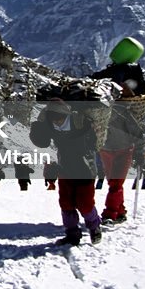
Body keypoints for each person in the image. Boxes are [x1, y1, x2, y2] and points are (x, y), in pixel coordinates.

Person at [30, 99, 103, 246]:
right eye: (53, 119)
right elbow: (42, 142)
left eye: (58, 118)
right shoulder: (51, 125)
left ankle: (94, 227)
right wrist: (37, 126)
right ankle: (72, 234)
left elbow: (93, 144)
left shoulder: (80, 122)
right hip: (65, 169)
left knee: (85, 204)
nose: (56, 122)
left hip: (85, 170)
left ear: (65, 114)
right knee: (66, 204)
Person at [98, 88, 145, 224]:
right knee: (114, 183)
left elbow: (138, 134)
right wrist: (139, 152)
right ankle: (120, 211)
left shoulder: (106, 112)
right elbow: (138, 134)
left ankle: (109, 214)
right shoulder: (123, 113)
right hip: (118, 150)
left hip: (112, 151)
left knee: (115, 183)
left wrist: (139, 152)